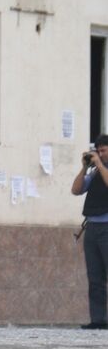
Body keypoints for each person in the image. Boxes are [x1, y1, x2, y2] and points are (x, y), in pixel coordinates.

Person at [71, 133, 108, 329]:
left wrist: (100, 165)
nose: (100, 154)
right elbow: (76, 190)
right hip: (93, 227)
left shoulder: (102, 169)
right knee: (95, 276)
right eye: (98, 151)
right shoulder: (94, 172)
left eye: (103, 150)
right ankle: (98, 320)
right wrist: (85, 167)